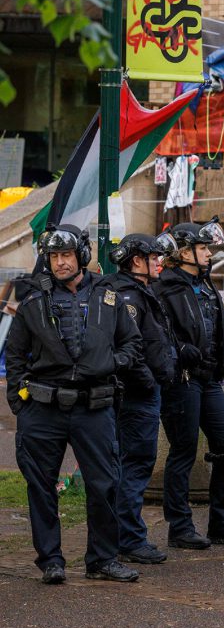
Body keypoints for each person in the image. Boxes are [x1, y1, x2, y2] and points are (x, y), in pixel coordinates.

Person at [6, 225, 142, 583]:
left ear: (81, 255)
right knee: (40, 484)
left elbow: (132, 343)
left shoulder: (107, 294)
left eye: (66, 255)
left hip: (94, 408)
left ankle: (102, 560)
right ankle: (51, 560)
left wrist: (113, 364)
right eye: (53, 256)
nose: (60, 262)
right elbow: (15, 355)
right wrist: (19, 402)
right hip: (43, 408)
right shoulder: (32, 297)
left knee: (104, 484)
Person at [155, 220, 224, 550]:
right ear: (184, 253)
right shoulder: (166, 288)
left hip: (209, 378)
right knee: (182, 452)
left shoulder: (204, 283)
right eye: (203, 248)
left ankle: (221, 522)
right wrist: (179, 353)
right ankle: (180, 527)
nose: (209, 254)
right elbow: (159, 335)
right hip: (182, 381)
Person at [106, 233, 178, 565]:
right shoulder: (128, 296)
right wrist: (148, 381)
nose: (160, 263)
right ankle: (130, 540)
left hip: (139, 392)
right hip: (137, 396)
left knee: (130, 464)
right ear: (137, 261)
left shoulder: (132, 291)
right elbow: (130, 349)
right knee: (134, 465)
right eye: (154, 257)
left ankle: (123, 536)